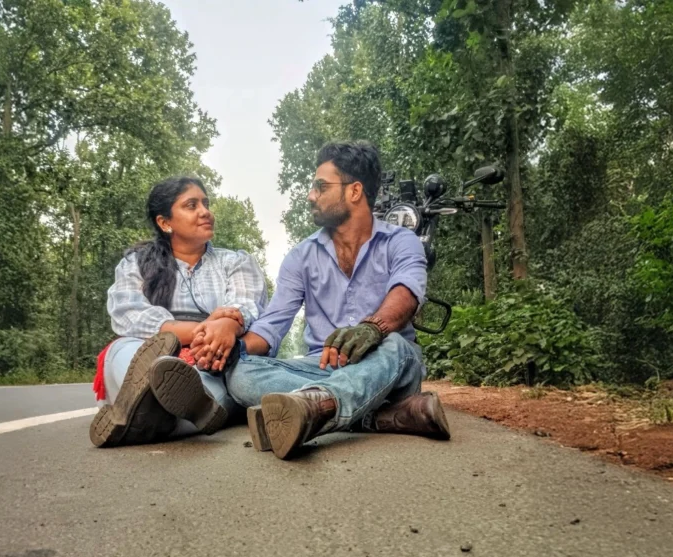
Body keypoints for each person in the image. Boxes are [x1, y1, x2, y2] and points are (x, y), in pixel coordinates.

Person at [224, 141, 451, 460]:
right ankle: (374, 416)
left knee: (395, 345)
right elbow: (270, 326)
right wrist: (232, 349)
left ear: (355, 191)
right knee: (240, 372)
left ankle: (321, 405)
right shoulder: (300, 257)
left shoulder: (402, 241)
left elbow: (406, 293)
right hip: (320, 366)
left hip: (388, 366)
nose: (310, 195)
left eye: (321, 186)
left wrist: (373, 328)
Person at [89, 177, 268, 447]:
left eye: (206, 204)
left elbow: (246, 305)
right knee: (125, 350)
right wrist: (205, 330)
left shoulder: (235, 262)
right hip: (153, 346)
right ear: (165, 222)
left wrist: (225, 329)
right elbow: (128, 313)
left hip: (212, 360)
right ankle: (153, 402)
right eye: (191, 205)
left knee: (213, 391)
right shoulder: (136, 264)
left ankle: (140, 417)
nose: (205, 211)